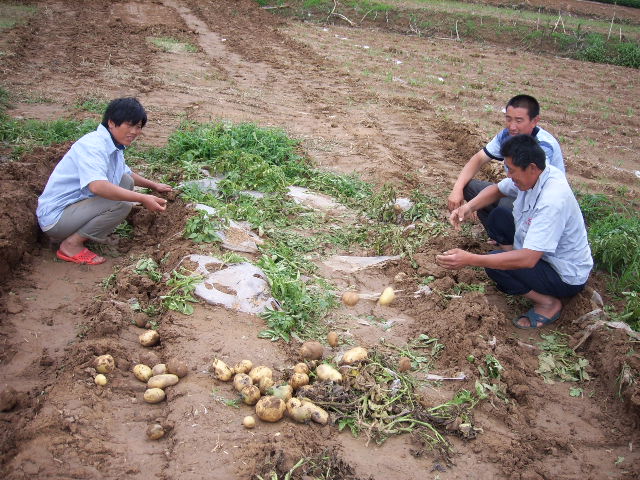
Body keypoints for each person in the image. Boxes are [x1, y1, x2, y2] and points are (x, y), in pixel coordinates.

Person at [436, 134, 592, 329]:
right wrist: (467, 209)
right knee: (499, 217)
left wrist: (470, 259)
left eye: (512, 170)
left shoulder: (552, 200)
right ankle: (511, 262)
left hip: (562, 274)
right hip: (539, 255)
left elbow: (528, 259)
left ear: (532, 168)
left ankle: (548, 303)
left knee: (493, 264)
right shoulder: (536, 174)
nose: (508, 175)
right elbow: (498, 190)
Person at [36, 97, 172, 265]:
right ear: (112, 123)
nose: (135, 132)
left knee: (125, 181)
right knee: (121, 205)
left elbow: (126, 173)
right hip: (56, 219)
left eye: (138, 127)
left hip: (74, 208)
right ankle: (71, 245)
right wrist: (142, 198)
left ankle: (83, 233)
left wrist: (154, 185)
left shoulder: (113, 145)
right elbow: (97, 186)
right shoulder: (94, 145)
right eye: (129, 125)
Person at [447, 94, 564, 234]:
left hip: (536, 202)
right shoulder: (507, 135)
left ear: (534, 121)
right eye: (508, 119)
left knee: (503, 207)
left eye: (519, 121)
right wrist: (458, 190)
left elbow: (531, 190)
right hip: (516, 189)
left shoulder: (543, 146)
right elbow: (479, 158)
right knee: (471, 188)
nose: (512, 126)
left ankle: (513, 242)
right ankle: (500, 238)